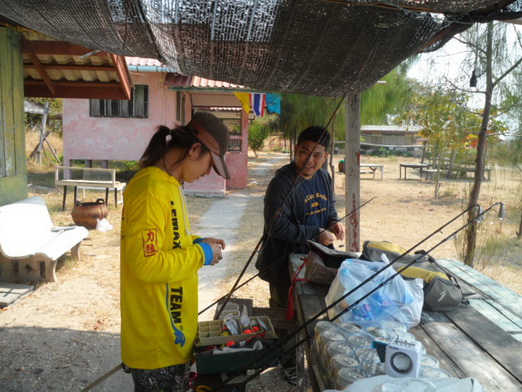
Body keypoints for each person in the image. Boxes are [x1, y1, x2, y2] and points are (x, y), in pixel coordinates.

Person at [120, 112, 231, 392]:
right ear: (195, 149)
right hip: (156, 340)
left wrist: (196, 242)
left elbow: (168, 240)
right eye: (209, 164)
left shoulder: (168, 184)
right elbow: (146, 264)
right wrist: (201, 255)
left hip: (172, 332)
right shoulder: (150, 190)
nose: (208, 172)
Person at [255, 125, 345, 384]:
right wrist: (315, 233)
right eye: (304, 152)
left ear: (325, 156)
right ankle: (288, 364)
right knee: (286, 316)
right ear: (295, 150)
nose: (310, 160)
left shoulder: (324, 177)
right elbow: (275, 226)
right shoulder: (281, 183)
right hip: (283, 262)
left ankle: (302, 360)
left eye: (317, 155)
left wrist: (333, 221)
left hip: (316, 262)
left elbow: (329, 207)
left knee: (313, 314)